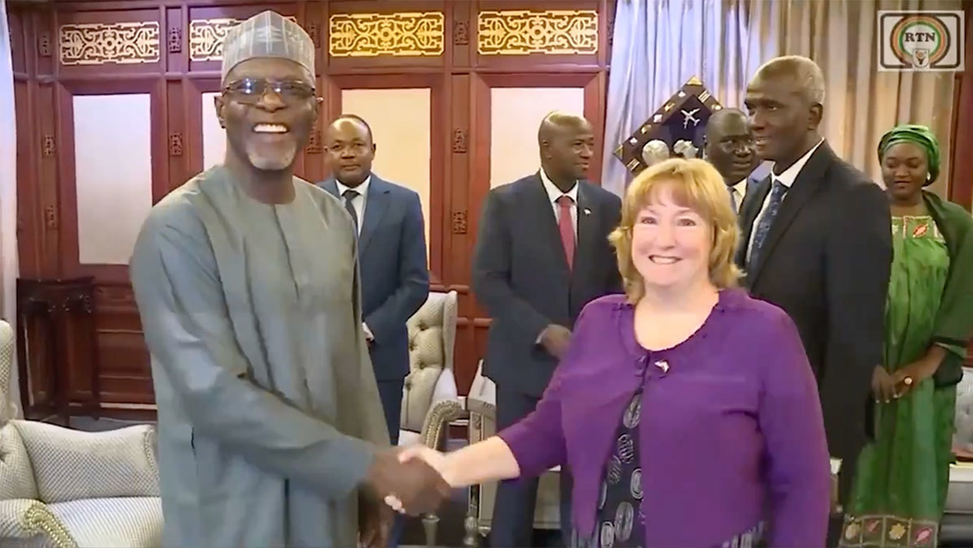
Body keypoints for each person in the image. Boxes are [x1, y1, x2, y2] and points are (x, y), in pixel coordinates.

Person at [128, 11, 448, 548]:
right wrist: (366, 464)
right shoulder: (178, 227)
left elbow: (352, 363)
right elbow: (212, 393)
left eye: (291, 88)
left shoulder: (331, 218)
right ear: (220, 108)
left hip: (326, 500)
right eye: (248, 87)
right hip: (230, 501)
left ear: (314, 110)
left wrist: (370, 480)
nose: (271, 102)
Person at [396, 158, 831, 547]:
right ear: (629, 234)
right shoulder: (599, 321)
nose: (664, 239)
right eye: (649, 220)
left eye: (686, 222)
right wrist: (445, 468)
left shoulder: (764, 333)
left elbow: (803, 482)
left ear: (717, 236)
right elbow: (547, 432)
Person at [737, 55, 893, 516]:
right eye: (751, 108)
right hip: (747, 420)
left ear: (813, 115)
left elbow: (855, 338)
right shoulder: (759, 194)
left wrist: (831, 457)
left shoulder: (854, 197)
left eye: (771, 107)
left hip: (808, 434)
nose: (756, 122)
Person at [471, 111, 623, 547]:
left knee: (585, 479)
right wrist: (542, 330)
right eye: (577, 144)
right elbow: (488, 281)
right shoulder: (506, 202)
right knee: (517, 476)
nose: (588, 153)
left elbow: (617, 284)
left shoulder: (607, 205)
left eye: (590, 144)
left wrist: (600, 340)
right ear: (546, 148)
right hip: (524, 366)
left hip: (589, 369)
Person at [841, 125, 973, 547]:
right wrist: (867, 364)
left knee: (918, 464)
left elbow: (964, 292)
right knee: (865, 463)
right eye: (892, 163)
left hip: (927, 374)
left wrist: (928, 363)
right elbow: (843, 291)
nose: (901, 172)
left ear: (930, 168)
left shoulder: (954, 223)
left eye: (913, 164)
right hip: (868, 371)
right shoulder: (857, 216)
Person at [319, 114, 430, 445]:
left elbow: (415, 284)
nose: (348, 154)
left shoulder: (403, 202)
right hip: (321, 359)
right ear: (326, 153)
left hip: (382, 359)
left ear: (373, 150)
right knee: (326, 456)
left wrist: (368, 330)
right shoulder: (306, 202)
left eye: (357, 145)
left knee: (380, 456)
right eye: (338, 147)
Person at [703, 108, 760, 213]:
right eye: (731, 142)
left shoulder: (768, 194)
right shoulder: (688, 195)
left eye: (749, 140)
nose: (744, 150)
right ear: (707, 147)